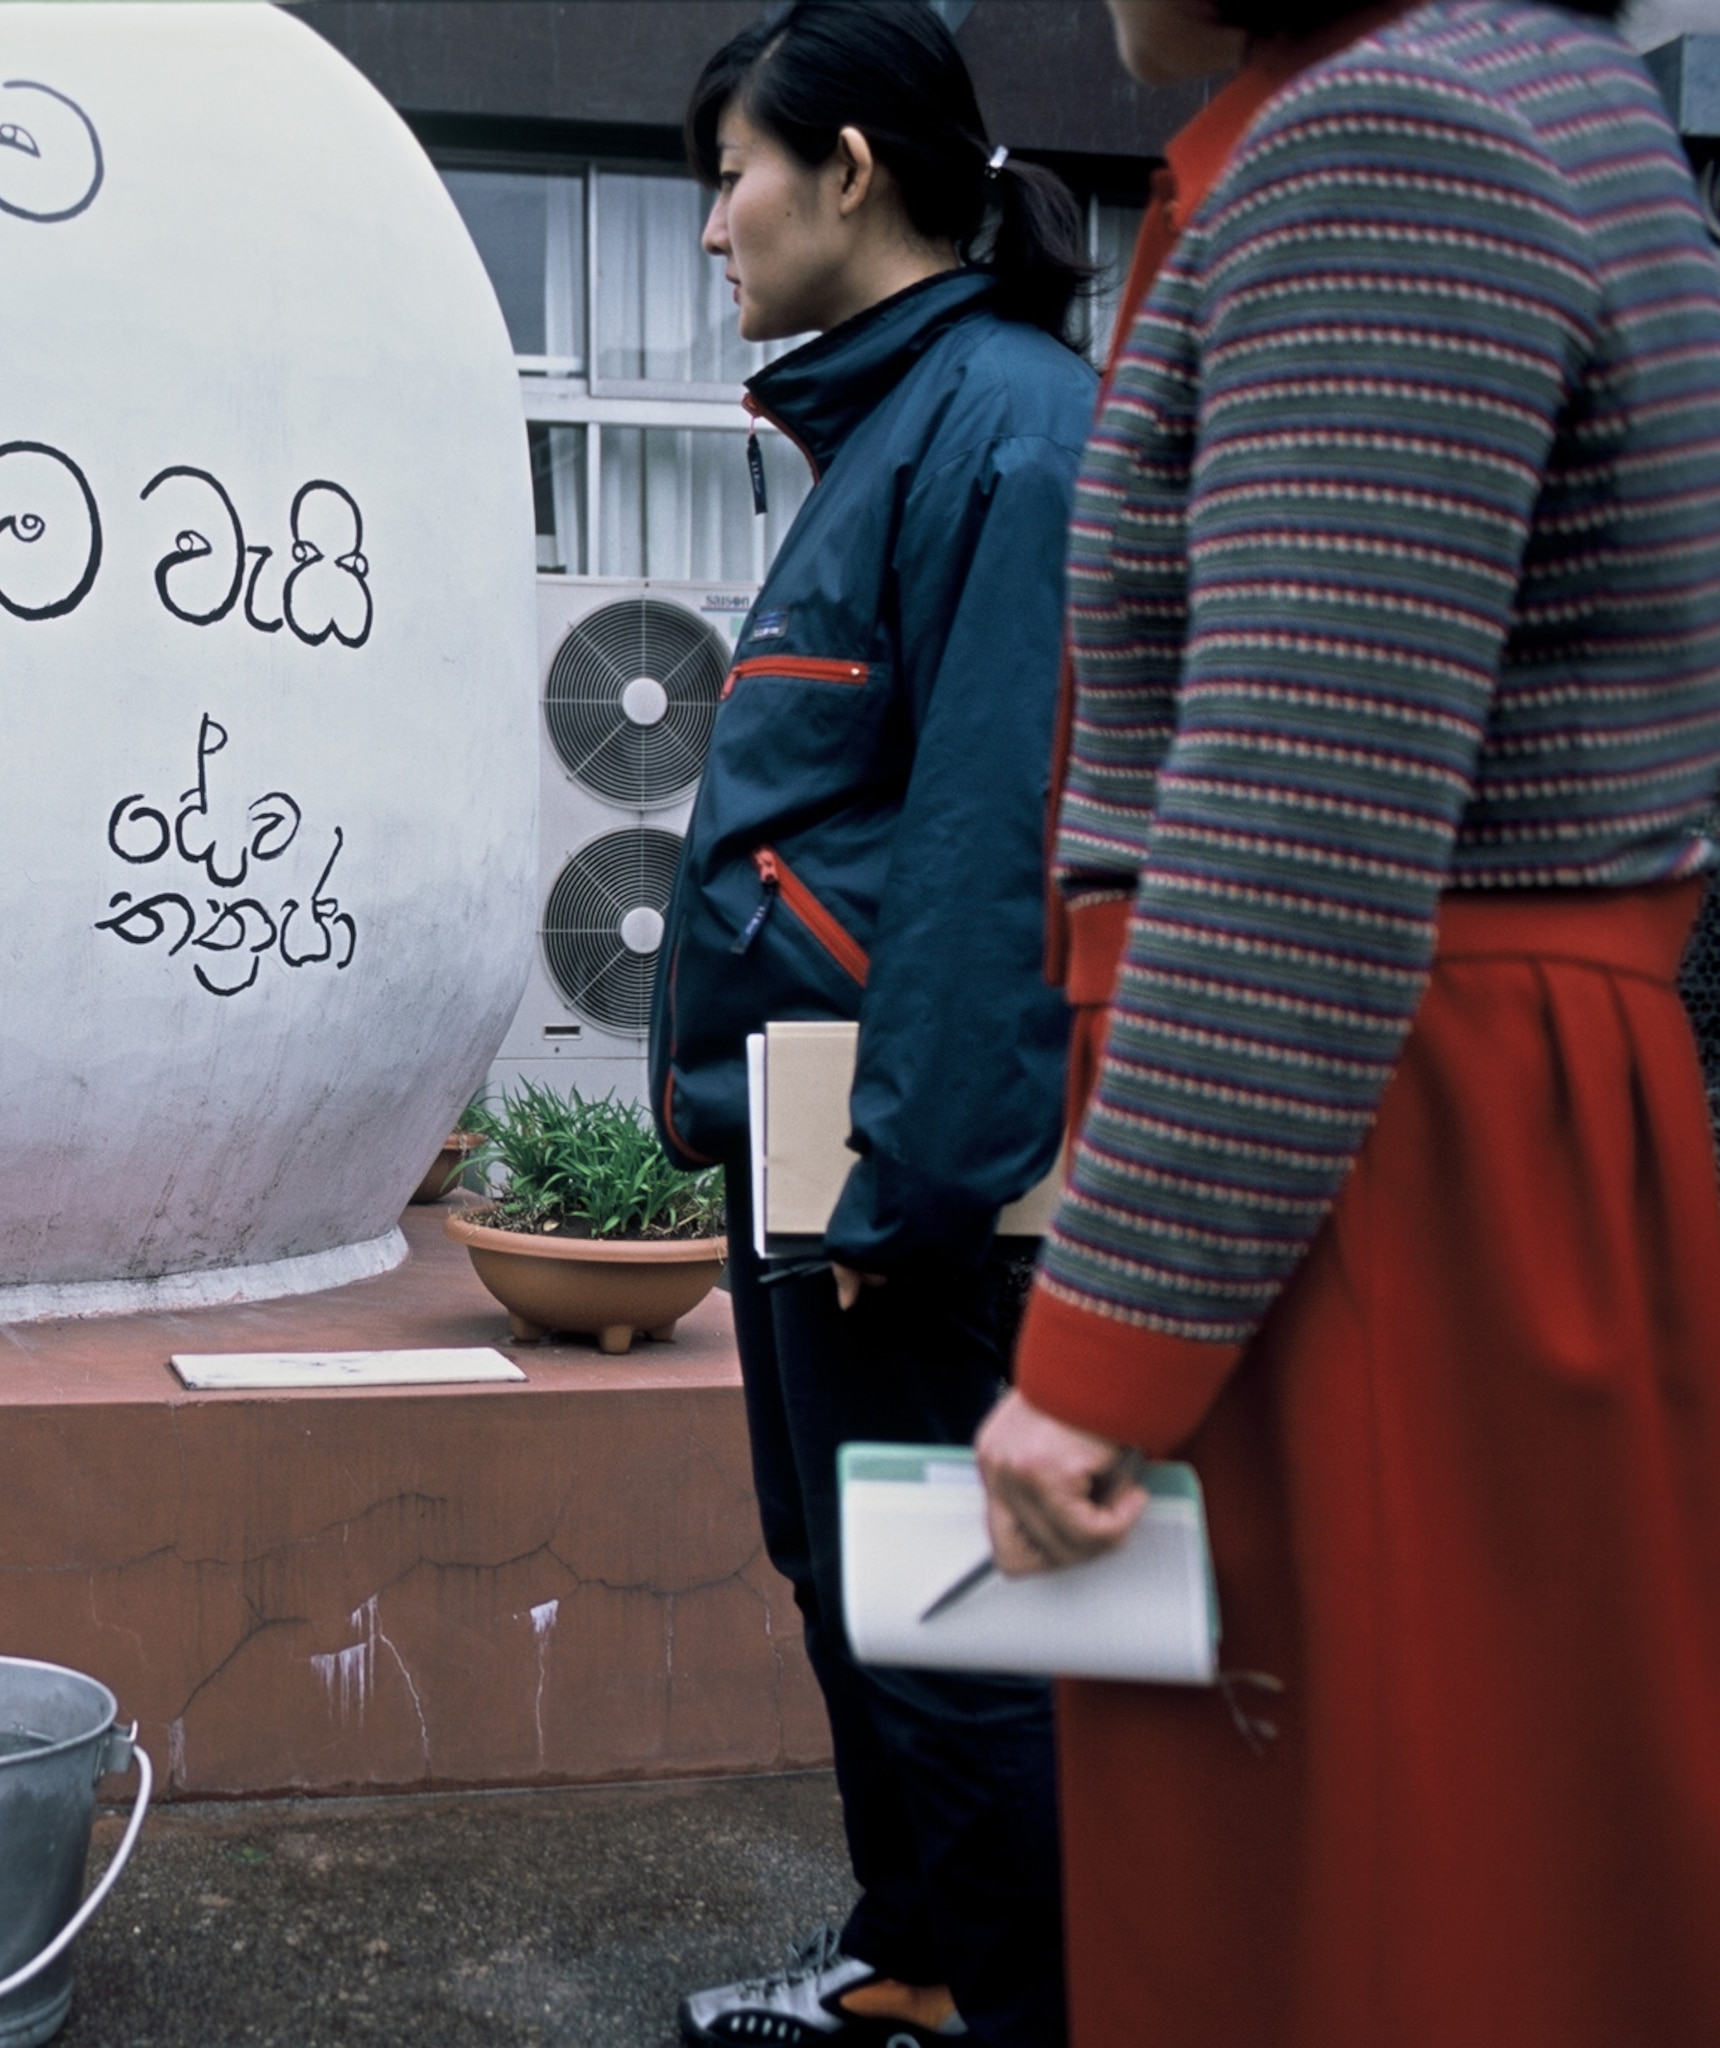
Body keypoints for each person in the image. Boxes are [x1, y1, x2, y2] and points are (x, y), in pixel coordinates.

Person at [970, 0, 1720, 2042]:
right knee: (1514, 1878)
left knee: (1362, 1919)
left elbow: (1296, 809)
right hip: (1435, 1106)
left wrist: (1104, 1353)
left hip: (1375, 1138)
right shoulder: (1536, 98)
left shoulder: (1387, 136)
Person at [643, 5, 1099, 2042]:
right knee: (851, 1586)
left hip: (910, 1172)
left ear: (851, 169)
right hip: (817, 1141)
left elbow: (1002, 834)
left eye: (732, 173)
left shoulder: (1005, 426)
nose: (715, 225)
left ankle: (1028, 2005)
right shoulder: (900, 424)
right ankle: (911, 1964)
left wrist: (913, 1184)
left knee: (970, 1636)